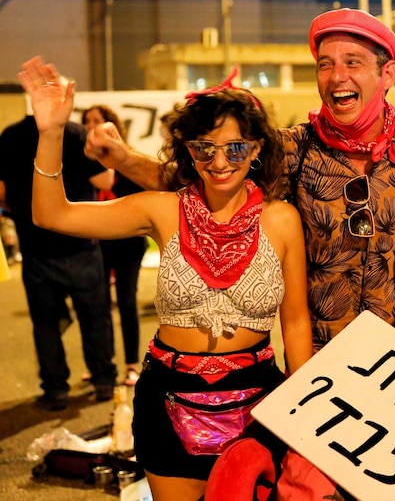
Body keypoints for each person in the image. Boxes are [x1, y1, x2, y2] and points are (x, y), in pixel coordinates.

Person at [20, 56, 312, 501]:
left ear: (256, 150)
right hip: (167, 401)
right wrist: (51, 131)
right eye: (203, 148)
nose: (219, 162)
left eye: (235, 148)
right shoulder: (162, 208)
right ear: (188, 150)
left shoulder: (282, 220)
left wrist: (302, 412)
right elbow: (51, 213)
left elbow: (294, 322)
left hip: (257, 406)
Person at [85, 9, 395, 353]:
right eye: (325, 64)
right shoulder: (293, 149)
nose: (337, 76)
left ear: (388, 74)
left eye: (352, 63)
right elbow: (193, 178)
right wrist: (123, 158)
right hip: (328, 361)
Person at [0, 110, 117, 411]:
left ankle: (55, 389)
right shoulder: (76, 134)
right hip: (80, 244)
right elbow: (105, 179)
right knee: (95, 318)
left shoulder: (10, 135)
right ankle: (104, 381)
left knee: (45, 325)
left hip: (35, 247)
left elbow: (1, 190)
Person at [82, 104, 149, 386]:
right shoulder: (84, 158)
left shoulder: (126, 158)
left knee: (126, 303)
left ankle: (132, 365)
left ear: (111, 125)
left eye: (96, 121)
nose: (90, 126)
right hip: (99, 242)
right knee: (99, 305)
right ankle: (103, 363)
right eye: (86, 121)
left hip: (128, 243)